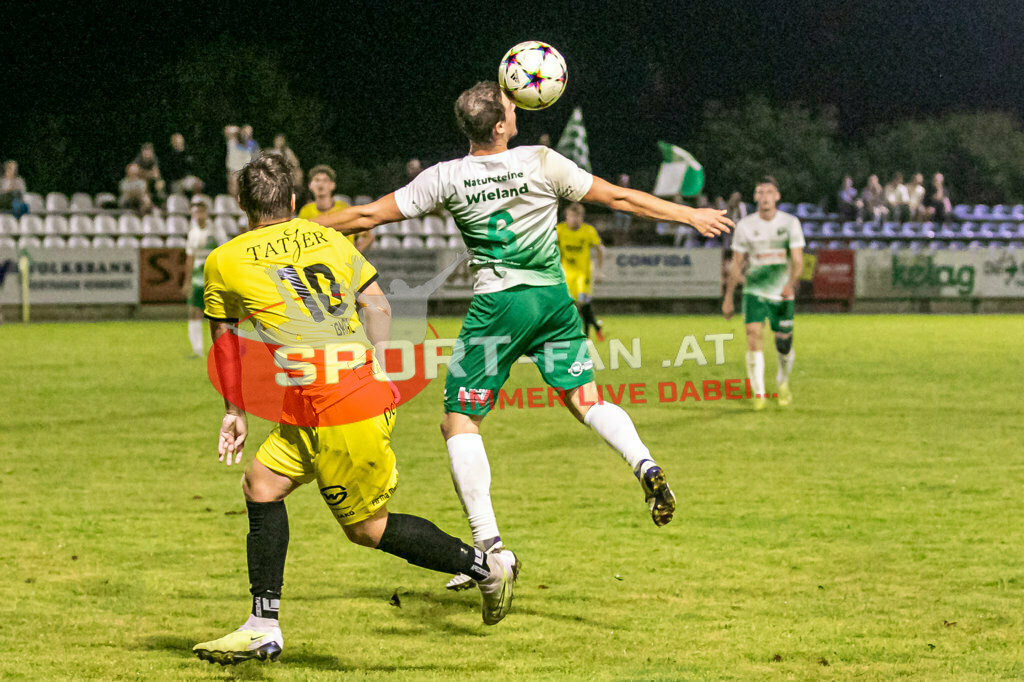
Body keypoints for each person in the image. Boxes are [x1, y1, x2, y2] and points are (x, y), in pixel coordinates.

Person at [313, 81, 731, 590]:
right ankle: (643, 462)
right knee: (586, 399)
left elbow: (364, 215)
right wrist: (689, 213)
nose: (517, 107)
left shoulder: (446, 177)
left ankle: (489, 549)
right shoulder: (542, 161)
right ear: (499, 127)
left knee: (459, 420)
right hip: (553, 301)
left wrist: (292, 229)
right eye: (510, 107)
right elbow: (618, 197)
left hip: (499, 305)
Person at [192, 153, 518, 666]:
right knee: (261, 485)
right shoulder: (330, 239)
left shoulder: (225, 260)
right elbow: (379, 305)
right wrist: (379, 369)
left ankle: (487, 568)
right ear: (294, 200)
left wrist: (235, 410)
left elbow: (225, 342)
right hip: (324, 398)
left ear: (241, 205)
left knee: (367, 529)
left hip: (341, 407)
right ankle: (262, 625)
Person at [722, 176, 804, 411]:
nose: (764, 196)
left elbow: (797, 260)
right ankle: (758, 393)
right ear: (755, 196)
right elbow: (736, 264)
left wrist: (791, 283)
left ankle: (783, 381)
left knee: (784, 343)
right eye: (760, 192)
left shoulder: (790, 223)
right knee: (753, 336)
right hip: (754, 289)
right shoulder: (746, 226)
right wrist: (728, 298)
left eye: (769, 192)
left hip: (782, 291)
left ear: (777, 196)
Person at [183, 196, 228, 358]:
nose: (198, 215)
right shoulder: (193, 233)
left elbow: (224, 253)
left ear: (206, 213)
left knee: (217, 313)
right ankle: (197, 350)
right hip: (197, 278)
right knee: (194, 311)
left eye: (201, 212)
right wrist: (186, 281)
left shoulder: (216, 231)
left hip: (213, 277)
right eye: (195, 213)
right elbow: (190, 258)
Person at [556, 202, 605, 341]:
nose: (575, 219)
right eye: (572, 216)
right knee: (569, 305)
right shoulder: (560, 230)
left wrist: (600, 271)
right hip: (566, 273)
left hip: (584, 274)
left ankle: (585, 334)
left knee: (582, 304)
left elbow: (600, 248)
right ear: (566, 216)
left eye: (578, 217)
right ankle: (595, 327)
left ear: (582, 217)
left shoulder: (588, 231)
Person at [297, 165, 374, 252]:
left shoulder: (344, 208)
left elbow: (368, 237)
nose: (320, 184)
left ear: (332, 185)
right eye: (317, 180)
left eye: (325, 180)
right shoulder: (305, 211)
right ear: (310, 185)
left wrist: (355, 255)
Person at [225, 125, 259, 196]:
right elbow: (228, 130)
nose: (247, 134)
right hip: (234, 172)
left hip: (246, 172)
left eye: (250, 133)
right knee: (234, 191)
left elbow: (257, 158)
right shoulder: (232, 142)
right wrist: (238, 130)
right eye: (245, 132)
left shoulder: (253, 144)